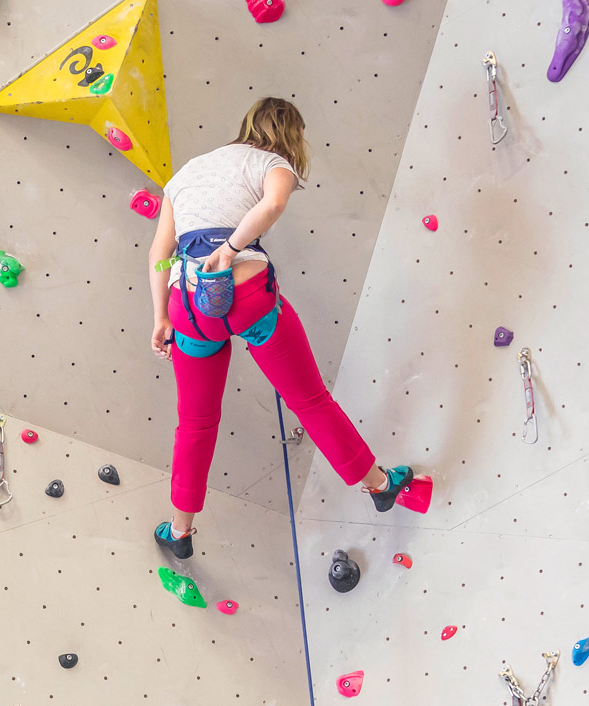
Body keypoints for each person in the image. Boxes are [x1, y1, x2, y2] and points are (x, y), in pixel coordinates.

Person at [145, 96, 424, 562]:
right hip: (248, 295)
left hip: (188, 306)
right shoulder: (274, 163)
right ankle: (377, 485)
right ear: (291, 137)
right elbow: (273, 204)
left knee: (195, 423)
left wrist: (159, 316)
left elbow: (159, 251)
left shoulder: (186, 173)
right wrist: (232, 249)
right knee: (310, 400)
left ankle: (180, 531)